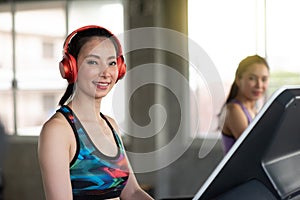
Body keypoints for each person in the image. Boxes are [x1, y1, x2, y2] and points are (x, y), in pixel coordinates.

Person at [38, 25, 153, 200]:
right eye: (93, 62)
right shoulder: (58, 131)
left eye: (112, 63)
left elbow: (131, 192)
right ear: (71, 68)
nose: (105, 72)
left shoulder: (111, 125)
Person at [218, 55, 270, 154]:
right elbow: (252, 148)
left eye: (264, 79)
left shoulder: (254, 110)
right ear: (238, 79)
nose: (259, 85)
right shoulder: (233, 110)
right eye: (252, 78)